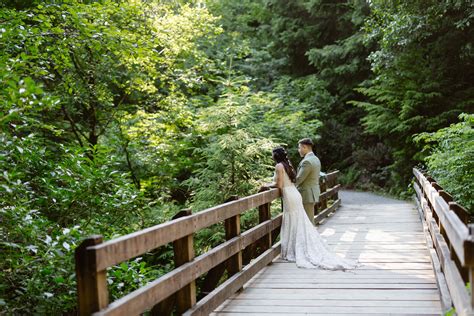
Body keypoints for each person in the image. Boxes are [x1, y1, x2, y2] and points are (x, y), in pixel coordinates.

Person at [265, 146, 357, 270]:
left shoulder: (278, 166)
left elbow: (279, 185)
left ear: (276, 155)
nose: (271, 156)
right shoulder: (286, 165)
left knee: (294, 220)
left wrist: (266, 185)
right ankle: (297, 247)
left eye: (272, 154)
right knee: (299, 221)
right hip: (294, 194)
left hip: (289, 195)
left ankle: (293, 249)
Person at [296, 138, 321, 225]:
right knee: (308, 220)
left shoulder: (307, 161)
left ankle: (311, 238)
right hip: (312, 193)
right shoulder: (315, 159)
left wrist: (287, 186)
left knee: (308, 221)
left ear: (305, 147)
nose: (298, 150)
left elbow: (299, 179)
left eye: (299, 148)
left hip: (306, 194)